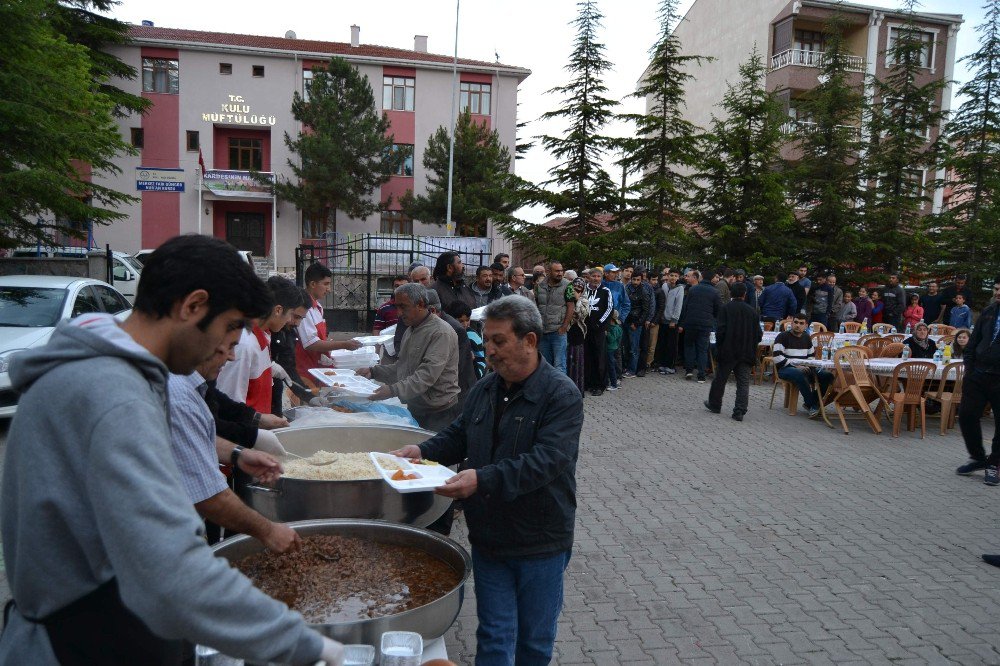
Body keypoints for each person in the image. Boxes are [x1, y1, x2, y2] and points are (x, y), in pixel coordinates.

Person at [0, 236, 343, 665]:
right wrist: (316, 647)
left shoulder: (106, 371)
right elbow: (170, 573)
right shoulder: (112, 393)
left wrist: (234, 453)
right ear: (193, 306)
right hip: (85, 641)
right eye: (230, 327)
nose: (226, 349)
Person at [390, 296, 583, 665]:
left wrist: (480, 479)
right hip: (490, 538)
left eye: (498, 340)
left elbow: (546, 461)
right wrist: (421, 450)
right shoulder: (485, 387)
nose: (489, 349)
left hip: (540, 540)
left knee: (534, 642)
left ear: (529, 340)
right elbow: (459, 433)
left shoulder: (560, 395)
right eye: (486, 339)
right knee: (494, 637)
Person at [169, 338, 295, 551]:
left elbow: (200, 433)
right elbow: (210, 497)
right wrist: (268, 531)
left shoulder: (192, 381)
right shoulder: (176, 394)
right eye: (227, 344)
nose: (232, 356)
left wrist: (238, 453)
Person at [359, 283, 460, 432]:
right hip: (417, 406)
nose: (398, 313)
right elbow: (403, 368)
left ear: (420, 304)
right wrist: (373, 372)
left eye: (403, 307)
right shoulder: (411, 329)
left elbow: (426, 376)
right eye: (396, 307)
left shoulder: (441, 333)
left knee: (431, 453)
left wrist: (392, 390)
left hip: (439, 412)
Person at [217, 276, 303, 414]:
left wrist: (270, 367)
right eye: (291, 314)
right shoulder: (244, 344)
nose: (289, 320)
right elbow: (229, 403)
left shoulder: (263, 335)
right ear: (278, 310)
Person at [955, 278, 1000, 486]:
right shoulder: (989, 312)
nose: (998, 293)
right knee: (966, 414)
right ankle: (978, 457)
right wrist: (970, 369)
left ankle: (994, 464)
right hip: (978, 375)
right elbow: (973, 343)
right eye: (996, 289)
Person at [705, 282, 762, 421]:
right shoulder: (752, 311)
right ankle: (739, 411)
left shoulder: (726, 309)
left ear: (731, 293)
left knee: (720, 379)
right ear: (744, 294)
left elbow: (721, 331)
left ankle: (715, 404)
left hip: (728, 351)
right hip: (746, 352)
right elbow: (758, 335)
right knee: (743, 383)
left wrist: (719, 347)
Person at [295, 262, 361, 378]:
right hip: (307, 370)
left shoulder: (317, 307)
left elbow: (318, 338)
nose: (329, 289)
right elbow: (311, 343)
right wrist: (344, 344)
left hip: (319, 366)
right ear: (312, 284)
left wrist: (328, 342)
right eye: (326, 284)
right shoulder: (304, 308)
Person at [772, 314, 833, 418]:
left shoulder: (806, 337)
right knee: (799, 373)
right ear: (791, 323)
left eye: (801, 323)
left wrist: (808, 366)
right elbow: (777, 358)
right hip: (785, 368)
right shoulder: (782, 336)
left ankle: (813, 402)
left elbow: (811, 357)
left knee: (827, 375)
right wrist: (796, 366)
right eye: (795, 322)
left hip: (805, 368)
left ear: (806, 326)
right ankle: (812, 404)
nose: (797, 325)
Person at [425, 289, 477, 403]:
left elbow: (458, 365)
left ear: (432, 310)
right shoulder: (432, 325)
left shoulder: (454, 329)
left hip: (456, 391)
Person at [270, 288, 313, 413]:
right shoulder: (266, 333)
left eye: (301, 318)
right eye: (295, 316)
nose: (296, 323)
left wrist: (308, 396)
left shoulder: (289, 333)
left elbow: (289, 370)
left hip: (274, 395)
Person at [678, 269, 721, 383]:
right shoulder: (715, 292)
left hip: (691, 322)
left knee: (689, 346)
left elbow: (685, 307)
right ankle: (701, 375)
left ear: (701, 277)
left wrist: (683, 322)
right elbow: (718, 310)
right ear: (712, 278)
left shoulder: (693, 289)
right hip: (706, 324)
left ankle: (689, 370)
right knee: (702, 349)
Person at [535, 260, 574, 373]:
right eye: (557, 271)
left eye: (561, 271)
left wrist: (564, 327)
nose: (560, 273)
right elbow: (536, 305)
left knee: (559, 366)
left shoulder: (568, 285)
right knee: (545, 366)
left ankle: (561, 391)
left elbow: (571, 306)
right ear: (548, 271)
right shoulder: (539, 286)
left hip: (558, 332)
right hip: (543, 331)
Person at [584, 268, 613, 396]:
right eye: (593, 276)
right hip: (584, 329)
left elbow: (609, 308)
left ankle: (600, 385)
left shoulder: (605, 291)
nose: (596, 279)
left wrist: (600, 323)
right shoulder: (583, 290)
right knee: (587, 355)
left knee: (599, 357)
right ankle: (587, 382)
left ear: (601, 278)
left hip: (599, 329)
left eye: (598, 276)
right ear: (589, 277)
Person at [623, 269, 653, 378]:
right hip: (626, 320)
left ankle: (632, 370)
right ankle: (627, 367)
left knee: (634, 348)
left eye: (638, 280)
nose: (635, 282)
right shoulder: (627, 288)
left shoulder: (644, 291)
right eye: (634, 279)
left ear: (641, 280)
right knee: (626, 346)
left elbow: (645, 310)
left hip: (635, 322)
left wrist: (637, 323)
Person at [446, 300, 487, 379]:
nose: (465, 324)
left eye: (467, 320)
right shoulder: (447, 334)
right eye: (461, 321)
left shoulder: (473, 336)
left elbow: (481, 359)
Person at [657, 268, 684, 374]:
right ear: (668, 276)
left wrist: (674, 319)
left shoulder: (680, 288)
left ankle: (670, 366)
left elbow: (678, 306)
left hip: (672, 321)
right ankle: (662, 364)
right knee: (663, 343)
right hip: (663, 319)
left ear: (678, 278)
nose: (673, 278)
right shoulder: (664, 286)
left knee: (671, 345)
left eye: (675, 276)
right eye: (671, 275)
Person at [565, 277, 589, 395]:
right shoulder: (566, 298)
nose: (577, 290)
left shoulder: (584, 300)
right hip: (566, 333)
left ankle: (576, 390)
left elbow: (581, 314)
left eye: (580, 289)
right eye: (575, 288)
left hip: (578, 334)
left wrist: (577, 300)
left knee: (576, 361)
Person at [642, 270, 666, 375]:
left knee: (652, 344)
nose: (655, 282)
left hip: (654, 322)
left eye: (656, 279)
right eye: (653, 279)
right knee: (644, 343)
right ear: (648, 279)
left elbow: (661, 308)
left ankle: (648, 363)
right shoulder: (645, 289)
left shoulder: (660, 291)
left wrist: (655, 321)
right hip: (644, 320)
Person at [605, 309, 622, 391]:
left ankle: (614, 384)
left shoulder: (615, 328)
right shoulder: (617, 327)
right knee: (612, 365)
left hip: (610, 349)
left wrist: (607, 333)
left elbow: (612, 339)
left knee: (611, 366)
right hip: (613, 348)